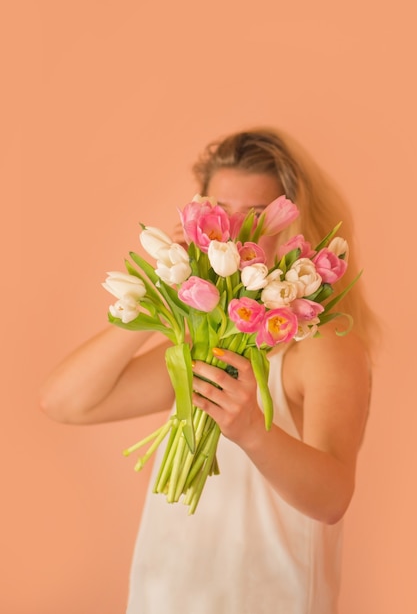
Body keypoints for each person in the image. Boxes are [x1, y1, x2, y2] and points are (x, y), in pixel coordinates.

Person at [40, 128, 376, 613]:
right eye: (222, 212)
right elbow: (65, 401)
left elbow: (332, 499)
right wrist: (166, 284)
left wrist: (252, 433)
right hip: (166, 598)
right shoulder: (201, 345)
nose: (237, 232)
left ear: (295, 226)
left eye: (258, 215)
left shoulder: (323, 346)